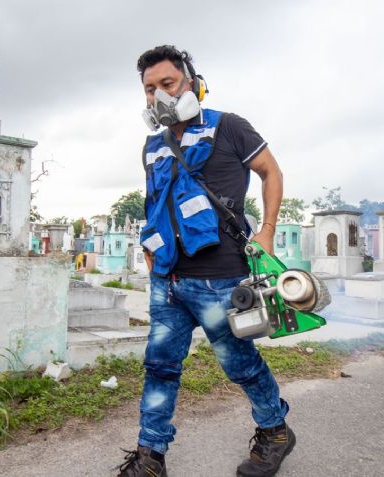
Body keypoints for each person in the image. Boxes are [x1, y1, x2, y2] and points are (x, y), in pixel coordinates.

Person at [117, 45, 293, 477]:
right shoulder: (153, 145)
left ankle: (274, 431)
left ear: (192, 83)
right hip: (169, 280)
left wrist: (267, 231)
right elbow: (157, 200)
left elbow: (272, 171)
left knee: (240, 365)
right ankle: (149, 458)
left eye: (167, 84)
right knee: (159, 367)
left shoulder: (230, 127)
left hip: (221, 279)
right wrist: (149, 246)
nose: (157, 95)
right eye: (148, 89)